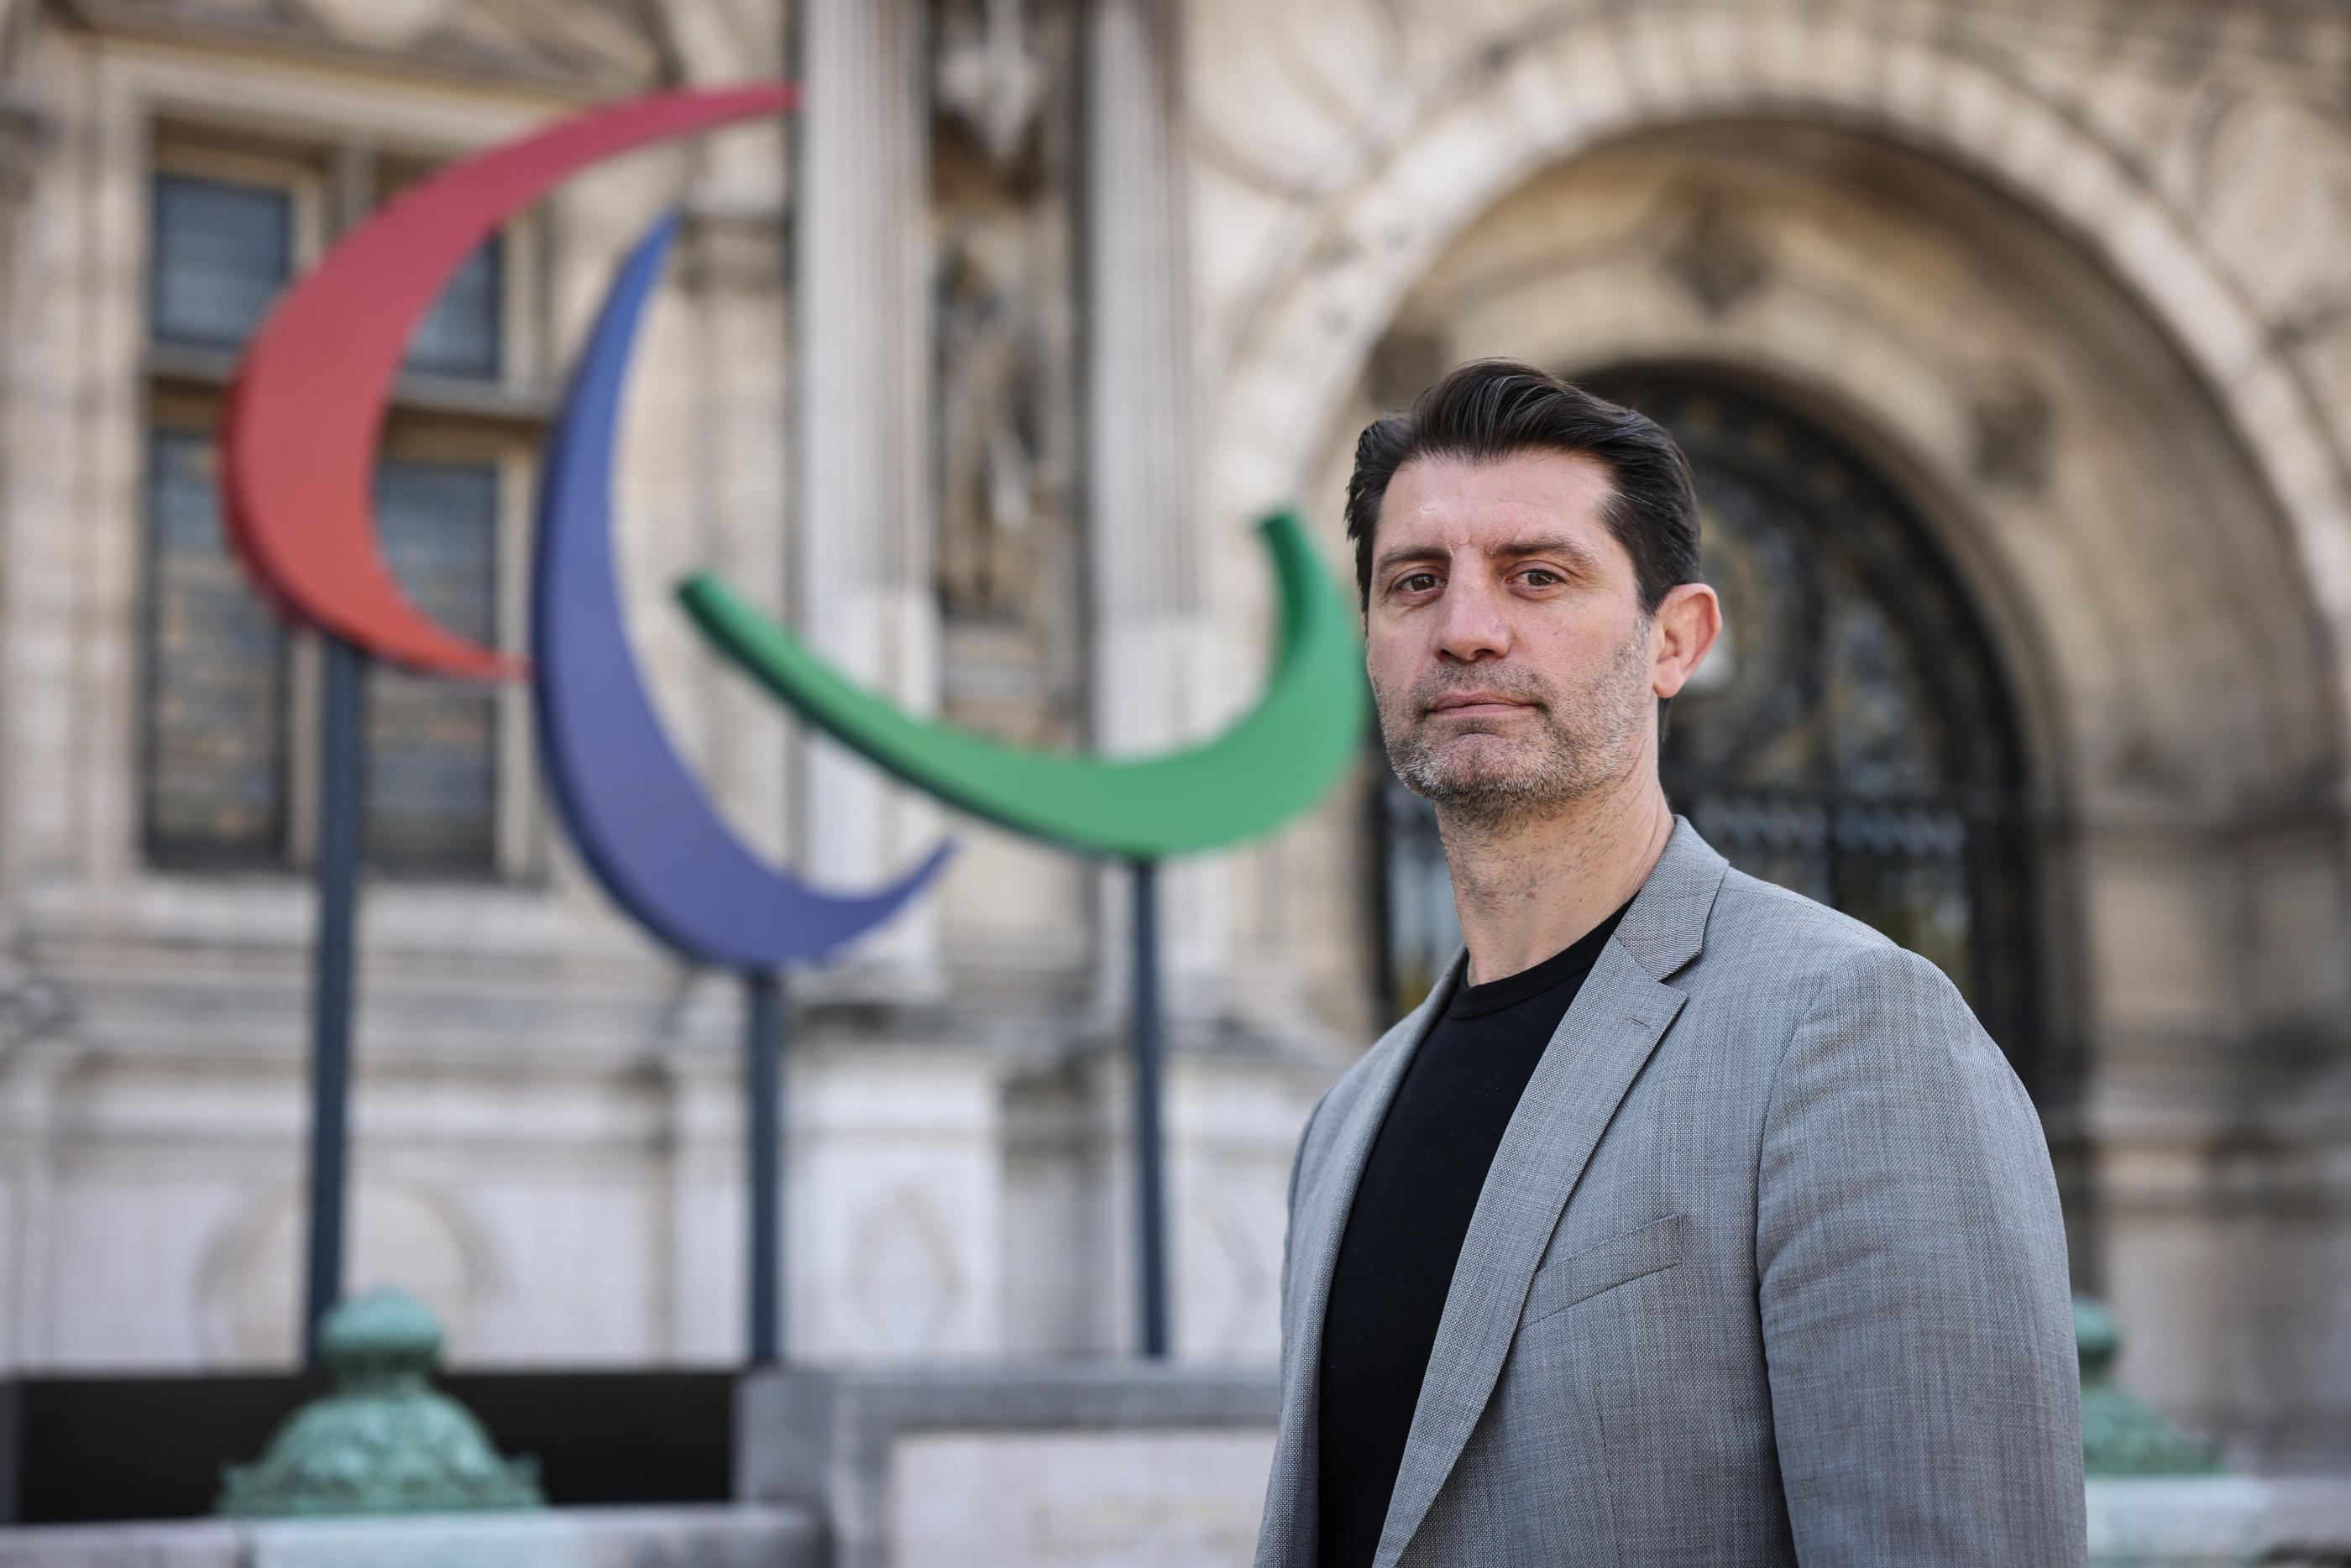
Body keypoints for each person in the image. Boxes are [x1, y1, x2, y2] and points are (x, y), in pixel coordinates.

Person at [1254, 361, 2084, 1567]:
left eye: (1538, 577)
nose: (1467, 628)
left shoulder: (1852, 1032)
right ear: (1372, 643)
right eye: (1414, 583)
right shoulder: (1345, 1117)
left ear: (1676, 640)